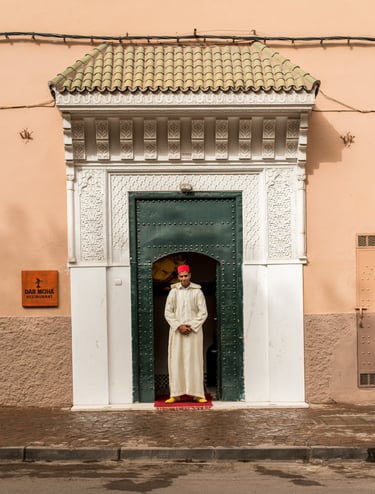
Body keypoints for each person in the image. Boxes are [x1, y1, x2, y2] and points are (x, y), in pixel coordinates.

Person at [164, 264, 208, 403]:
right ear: (178, 277)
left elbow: (203, 312)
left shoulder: (197, 292)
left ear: (190, 275)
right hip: (177, 332)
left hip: (193, 332)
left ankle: (197, 394)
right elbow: (168, 312)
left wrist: (192, 326)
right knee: (176, 361)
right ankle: (175, 394)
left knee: (194, 361)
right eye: (181, 276)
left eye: (186, 276)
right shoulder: (173, 292)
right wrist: (179, 326)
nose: (184, 279)